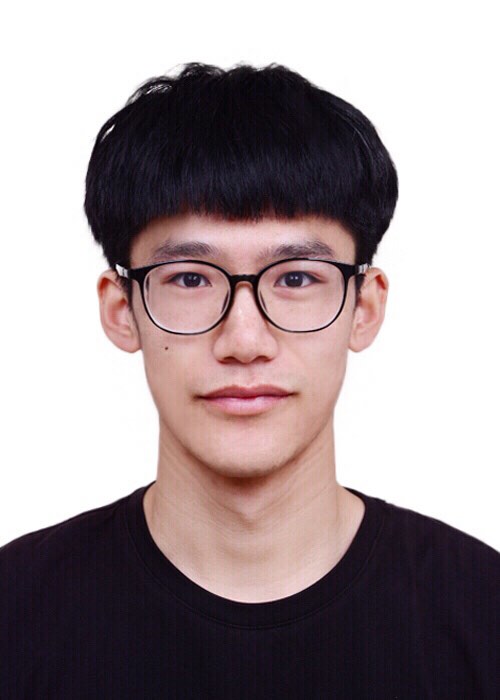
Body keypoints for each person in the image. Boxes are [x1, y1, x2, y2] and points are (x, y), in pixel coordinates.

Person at [1, 61, 498, 699]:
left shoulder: (482, 612)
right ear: (121, 310)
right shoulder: (17, 611)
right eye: (189, 278)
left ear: (365, 307)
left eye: (296, 278)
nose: (244, 342)